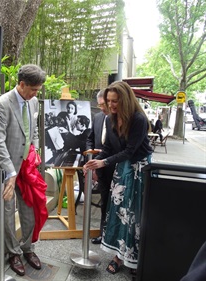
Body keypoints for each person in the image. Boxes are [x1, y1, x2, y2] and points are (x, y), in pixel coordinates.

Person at [83, 81, 153, 277]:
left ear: (126, 100)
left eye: (116, 101)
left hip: (139, 168)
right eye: (109, 101)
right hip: (122, 168)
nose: (111, 105)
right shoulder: (109, 119)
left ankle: (134, 259)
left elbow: (130, 151)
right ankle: (118, 256)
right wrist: (93, 162)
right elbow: (108, 149)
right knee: (118, 212)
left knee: (134, 215)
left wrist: (103, 163)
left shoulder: (138, 119)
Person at [0, 64, 46, 277]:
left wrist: (35, 150)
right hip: (6, 168)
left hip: (26, 167)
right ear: (22, 84)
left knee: (29, 208)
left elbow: (33, 130)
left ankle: (28, 248)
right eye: (33, 89)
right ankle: (13, 253)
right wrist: (10, 172)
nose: (35, 94)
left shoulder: (33, 103)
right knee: (7, 211)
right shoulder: (3, 103)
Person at [85, 90, 115, 245]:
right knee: (104, 201)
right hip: (99, 166)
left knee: (115, 204)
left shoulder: (118, 119)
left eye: (104, 104)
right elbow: (90, 139)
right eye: (100, 105)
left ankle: (113, 236)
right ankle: (103, 234)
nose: (102, 108)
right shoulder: (97, 117)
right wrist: (91, 157)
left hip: (114, 166)